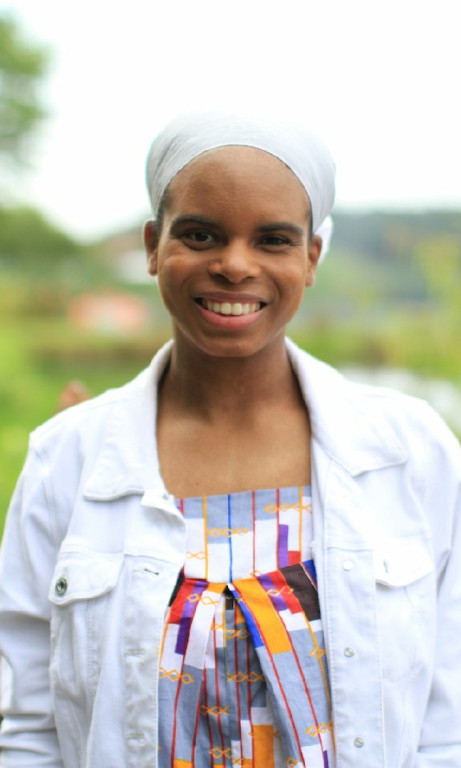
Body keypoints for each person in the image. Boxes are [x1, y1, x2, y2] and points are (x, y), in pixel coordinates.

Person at [0, 112, 460, 768]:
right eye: (200, 234)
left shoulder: (412, 453)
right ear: (154, 245)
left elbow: (447, 726)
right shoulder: (65, 461)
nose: (235, 265)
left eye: (272, 239)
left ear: (311, 257)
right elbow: (30, 728)